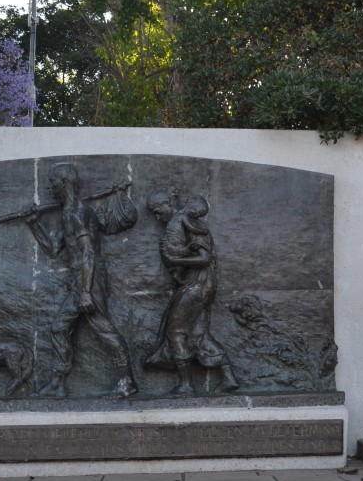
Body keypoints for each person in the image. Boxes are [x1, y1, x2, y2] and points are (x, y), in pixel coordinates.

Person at [25, 163, 138, 397]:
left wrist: (86, 291)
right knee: (59, 327)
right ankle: (58, 384)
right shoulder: (68, 212)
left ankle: (128, 381)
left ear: (64, 183)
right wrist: (34, 224)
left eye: (53, 183)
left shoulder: (78, 212)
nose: (50, 188)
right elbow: (55, 249)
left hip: (89, 277)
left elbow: (89, 252)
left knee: (103, 329)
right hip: (81, 279)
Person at [145, 190, 239, 395]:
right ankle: (228, 377)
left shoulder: (188, 223)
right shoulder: (181, 225)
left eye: (157, 209)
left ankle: (186, 384)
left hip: (199, 283)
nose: (157, 216)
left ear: (167, 203)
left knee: (175, 331)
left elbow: (204, 258)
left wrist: (177, 261)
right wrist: (178, 270)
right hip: (197, 283)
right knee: (198, 333)